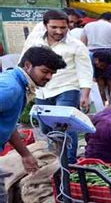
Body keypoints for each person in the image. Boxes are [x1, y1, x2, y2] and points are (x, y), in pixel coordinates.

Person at [0, 46, 66, 203]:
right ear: (28, 65)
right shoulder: (10, 88)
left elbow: (7, 122)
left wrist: (25, 154)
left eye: (52, 73)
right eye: (45, 71)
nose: (49, 77)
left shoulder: (17, 84)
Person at [22, 10, 94, 164]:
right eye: (54, 27)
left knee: (64, 126)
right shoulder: (34, 40)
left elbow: (85, 70)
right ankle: (56, 162)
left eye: (63, 28)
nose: (59, 31)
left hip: (67, 89)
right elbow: (24, 61)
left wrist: (85, 95)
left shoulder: (76, 45)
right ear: (45, 26)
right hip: (41, 91)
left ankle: (69, 164)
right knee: (47, 129)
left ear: (69, 26)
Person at [82, 12, 111, 102]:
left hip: (93, 54)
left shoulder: (88, 26)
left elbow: (82, 43)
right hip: (108, 53)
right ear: (110, 20)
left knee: (99, 82)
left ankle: (102, 104)